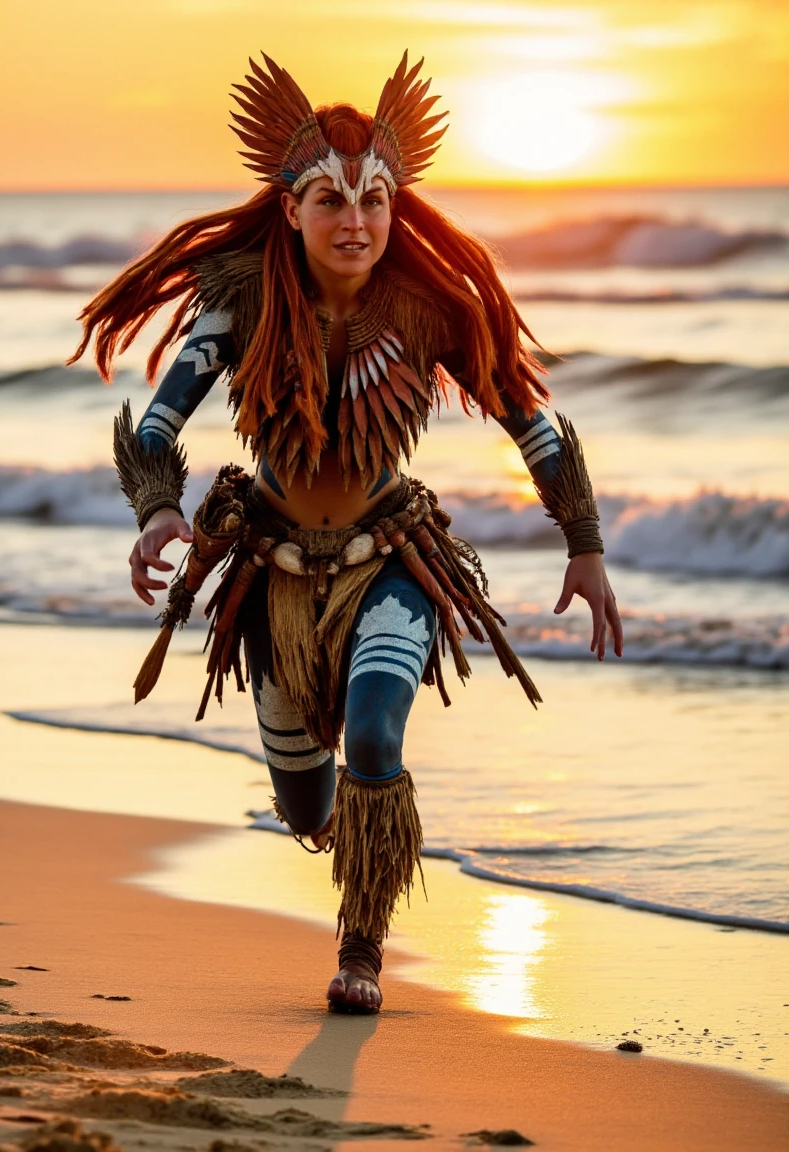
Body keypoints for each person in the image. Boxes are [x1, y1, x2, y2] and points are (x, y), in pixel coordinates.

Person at [70, 53, 623, 1015]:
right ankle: (320, 800)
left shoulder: (429, 310)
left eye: (375, 199)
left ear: (397, 205)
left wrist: (584, 540)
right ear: (290, 208)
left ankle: (360, 948)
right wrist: (159, 509)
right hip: (273, 574)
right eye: (330, 199)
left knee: (375, 732)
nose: (356, 220)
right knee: (306, 809)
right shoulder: (240, 302)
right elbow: (156, 424)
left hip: (389, 558)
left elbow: (528, 419)